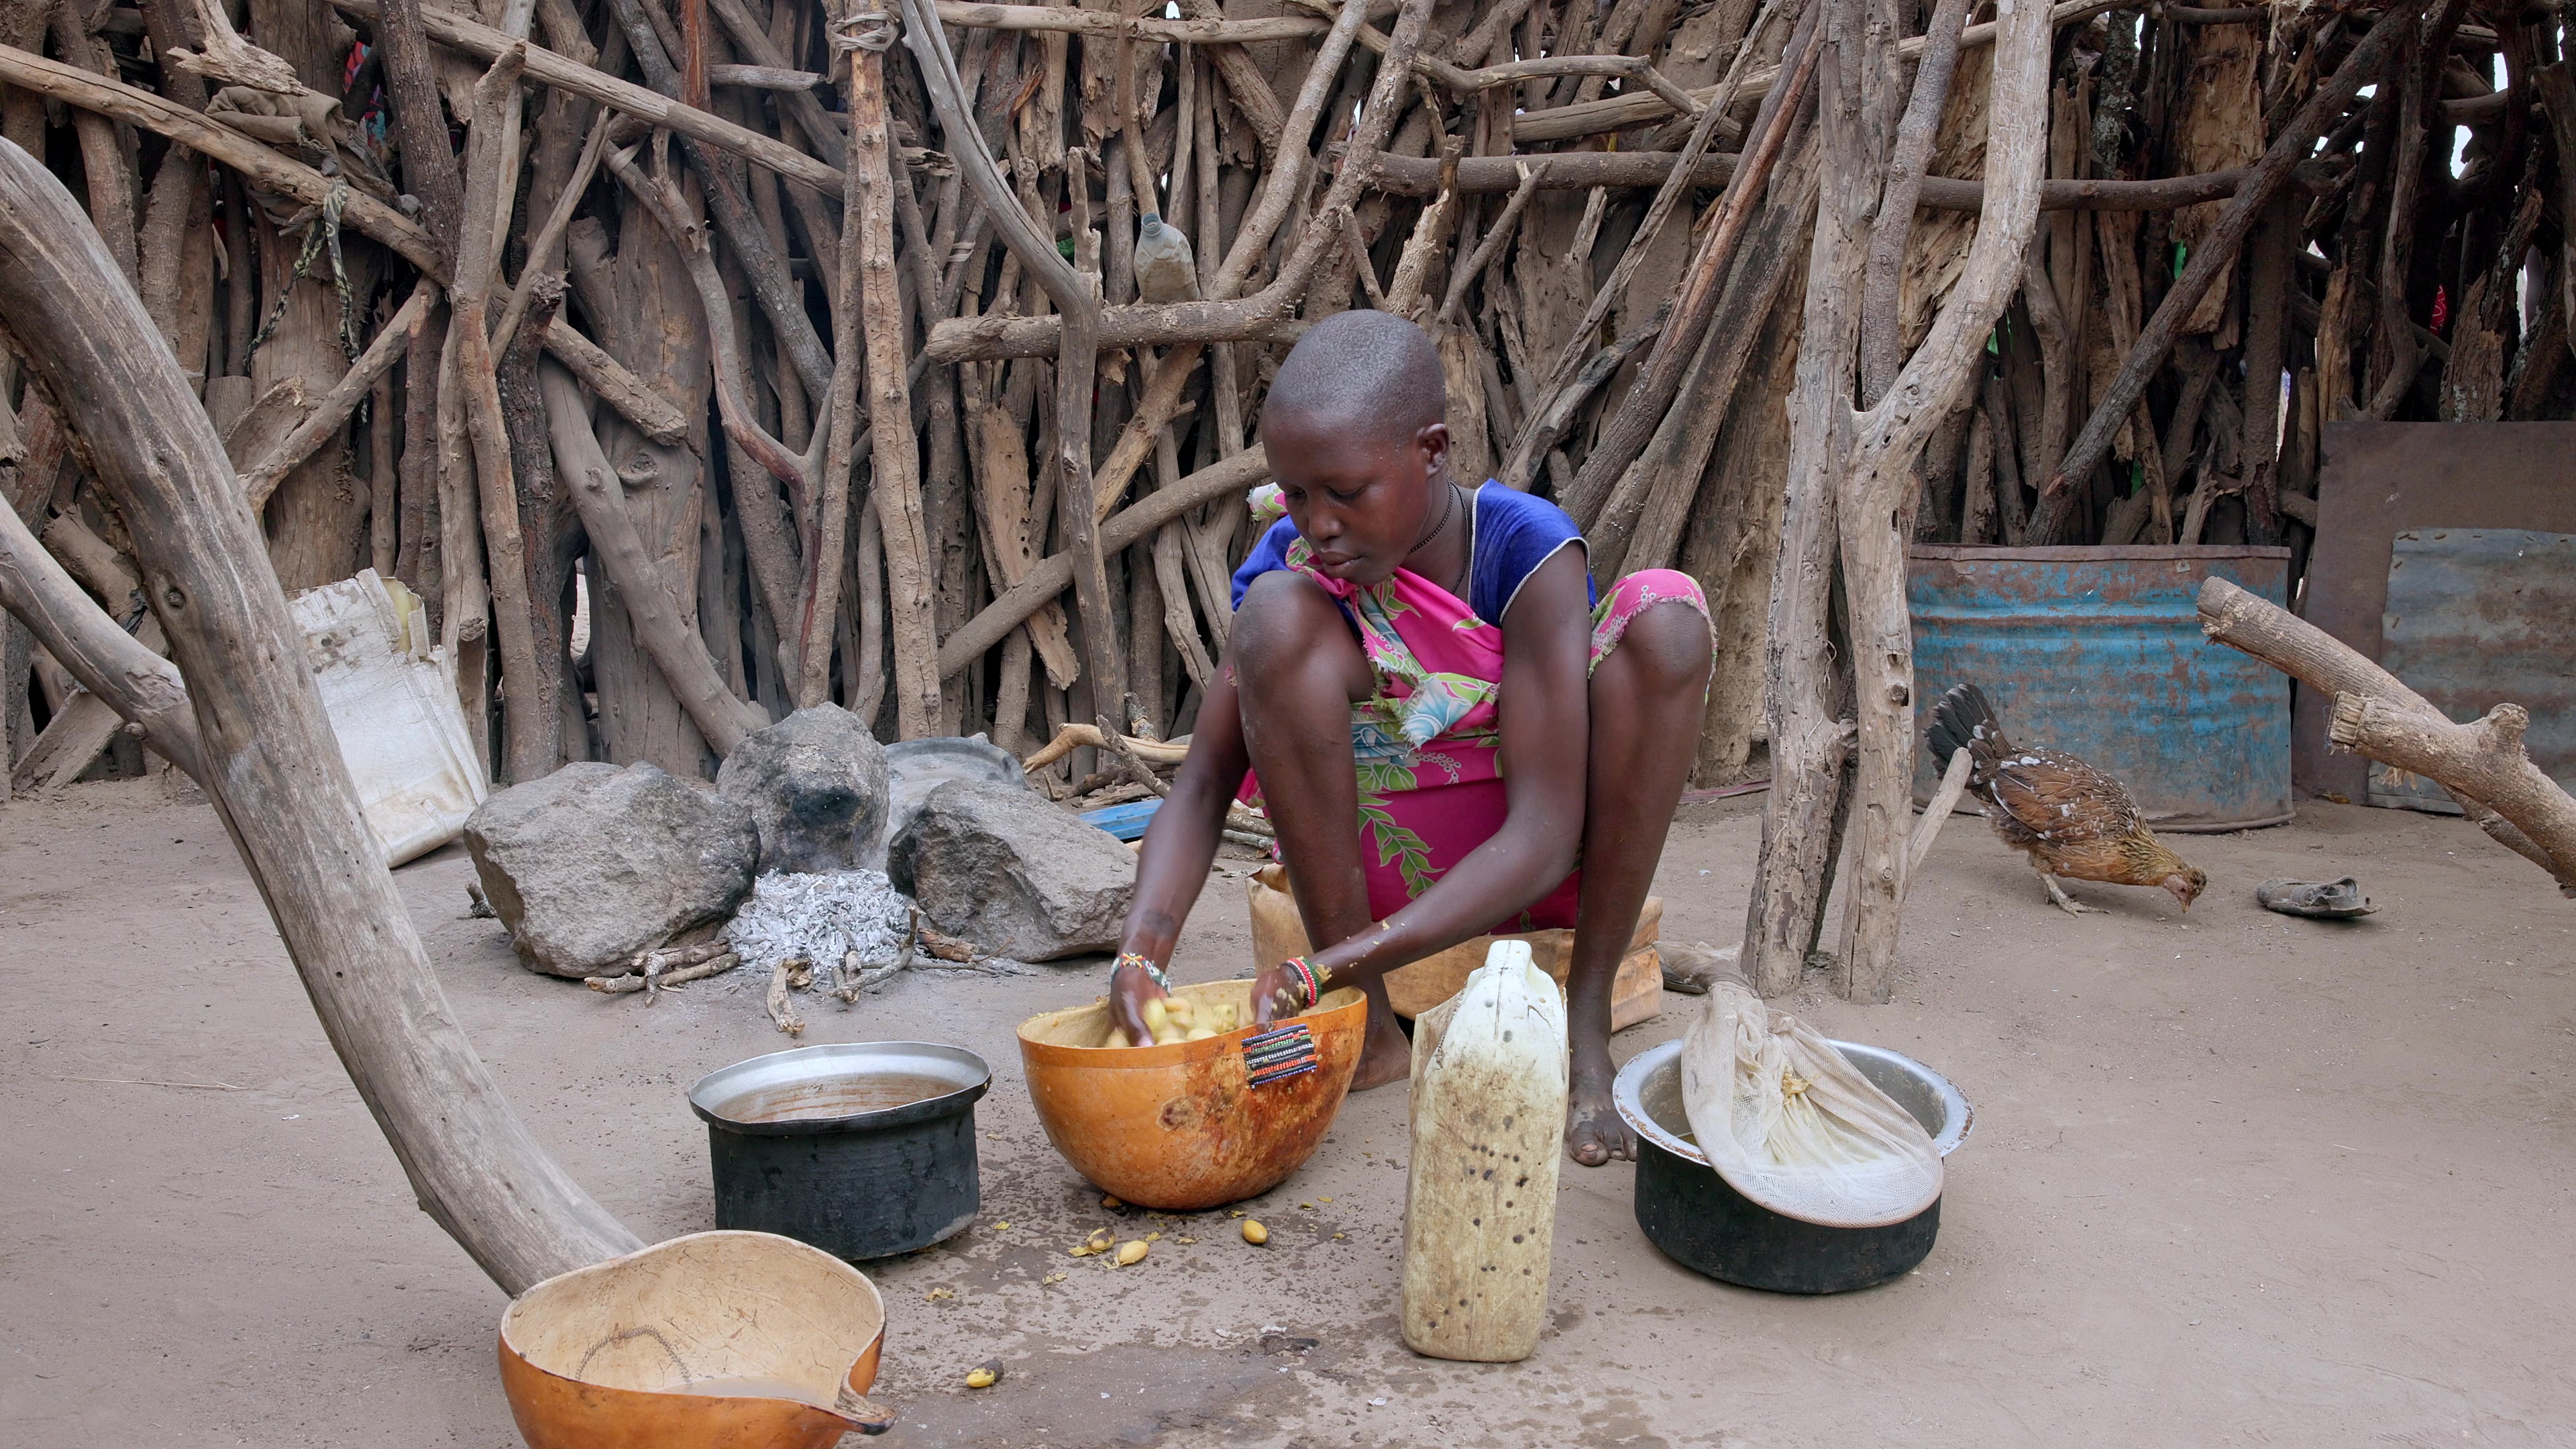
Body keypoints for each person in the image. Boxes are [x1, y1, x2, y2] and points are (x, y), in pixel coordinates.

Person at [1107, 310, 1714, 1165]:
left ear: (1431, 450)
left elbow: (1544, 835)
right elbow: (1204, 783)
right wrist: (1142, 955)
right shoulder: (1295, 566)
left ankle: (1586, 1039)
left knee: (1668, 621)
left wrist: (1327, 965)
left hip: (1533, 878)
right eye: (1296, 493)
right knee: (1274, 614)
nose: (1316, 524)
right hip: (1365, 897)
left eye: (1345, 492)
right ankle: (1373, 1030)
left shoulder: (1523, 549)